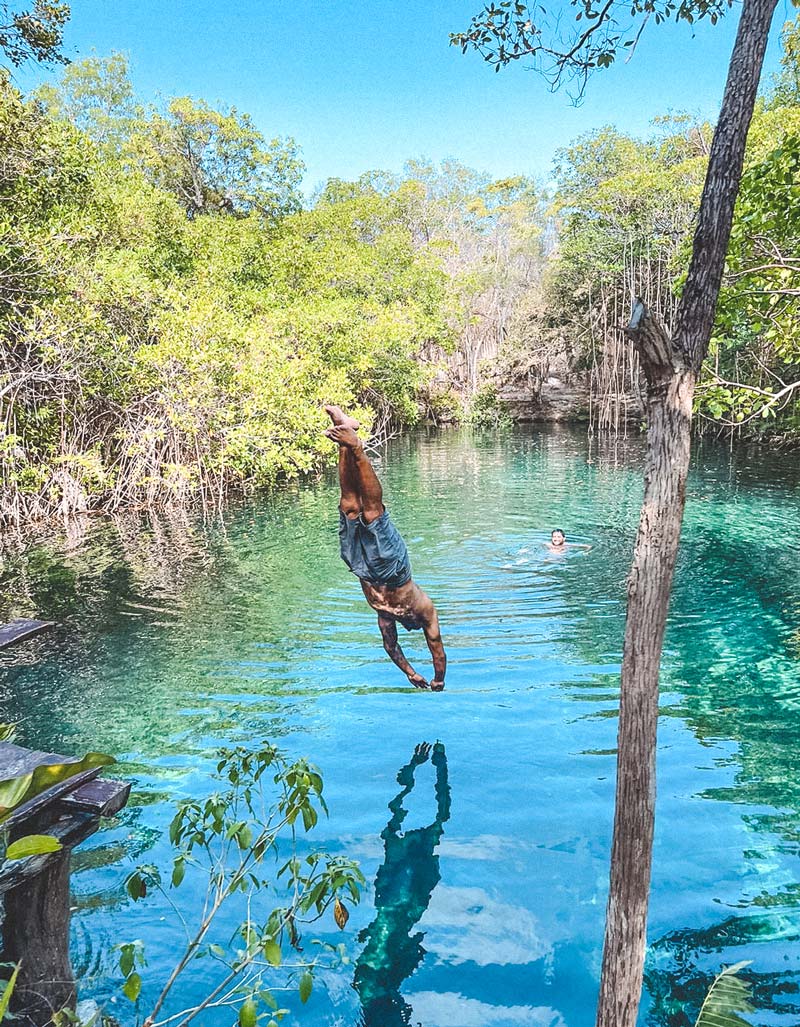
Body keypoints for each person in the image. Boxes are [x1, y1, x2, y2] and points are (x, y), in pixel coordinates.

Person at [324, 405, 446, 691]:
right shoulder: (426, 610)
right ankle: (356, 449)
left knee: (350, 507)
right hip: (392, 568)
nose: (403, 624)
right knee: (372, 513)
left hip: (361, 567)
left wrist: (410, 673)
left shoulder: (385, 616)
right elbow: (437, 649)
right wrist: (439, 678)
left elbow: (390, 648)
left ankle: (346, 431)